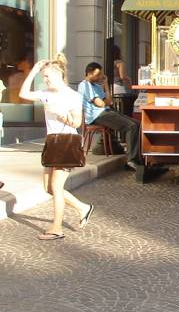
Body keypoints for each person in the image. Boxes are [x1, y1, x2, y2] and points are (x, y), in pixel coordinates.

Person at [19, 55, 94, 240]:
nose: (44, 80)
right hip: (52, 142)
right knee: (48, 187)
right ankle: (83, 207)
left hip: (67, 142)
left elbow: (77, 121)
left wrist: (60, 114)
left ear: (59, 75)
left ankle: (56, 228)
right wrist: (34, 71)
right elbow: (23, 94)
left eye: (47, 77)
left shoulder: (73, 95)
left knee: (56, 186)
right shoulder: (46, 94)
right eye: (43, 77)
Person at [78, 62, 141, 169]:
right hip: (97, 115)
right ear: (89, 73)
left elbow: (109, 101)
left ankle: (138, 156)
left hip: (105, 111)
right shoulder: (84, 85)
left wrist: (106, 85)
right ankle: (131, 159)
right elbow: (101, 103)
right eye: (98, 74)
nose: (100, 77)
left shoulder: (96, 85)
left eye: (101, 74)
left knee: (137, 124)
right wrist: (105, 102)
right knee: (131, 126)